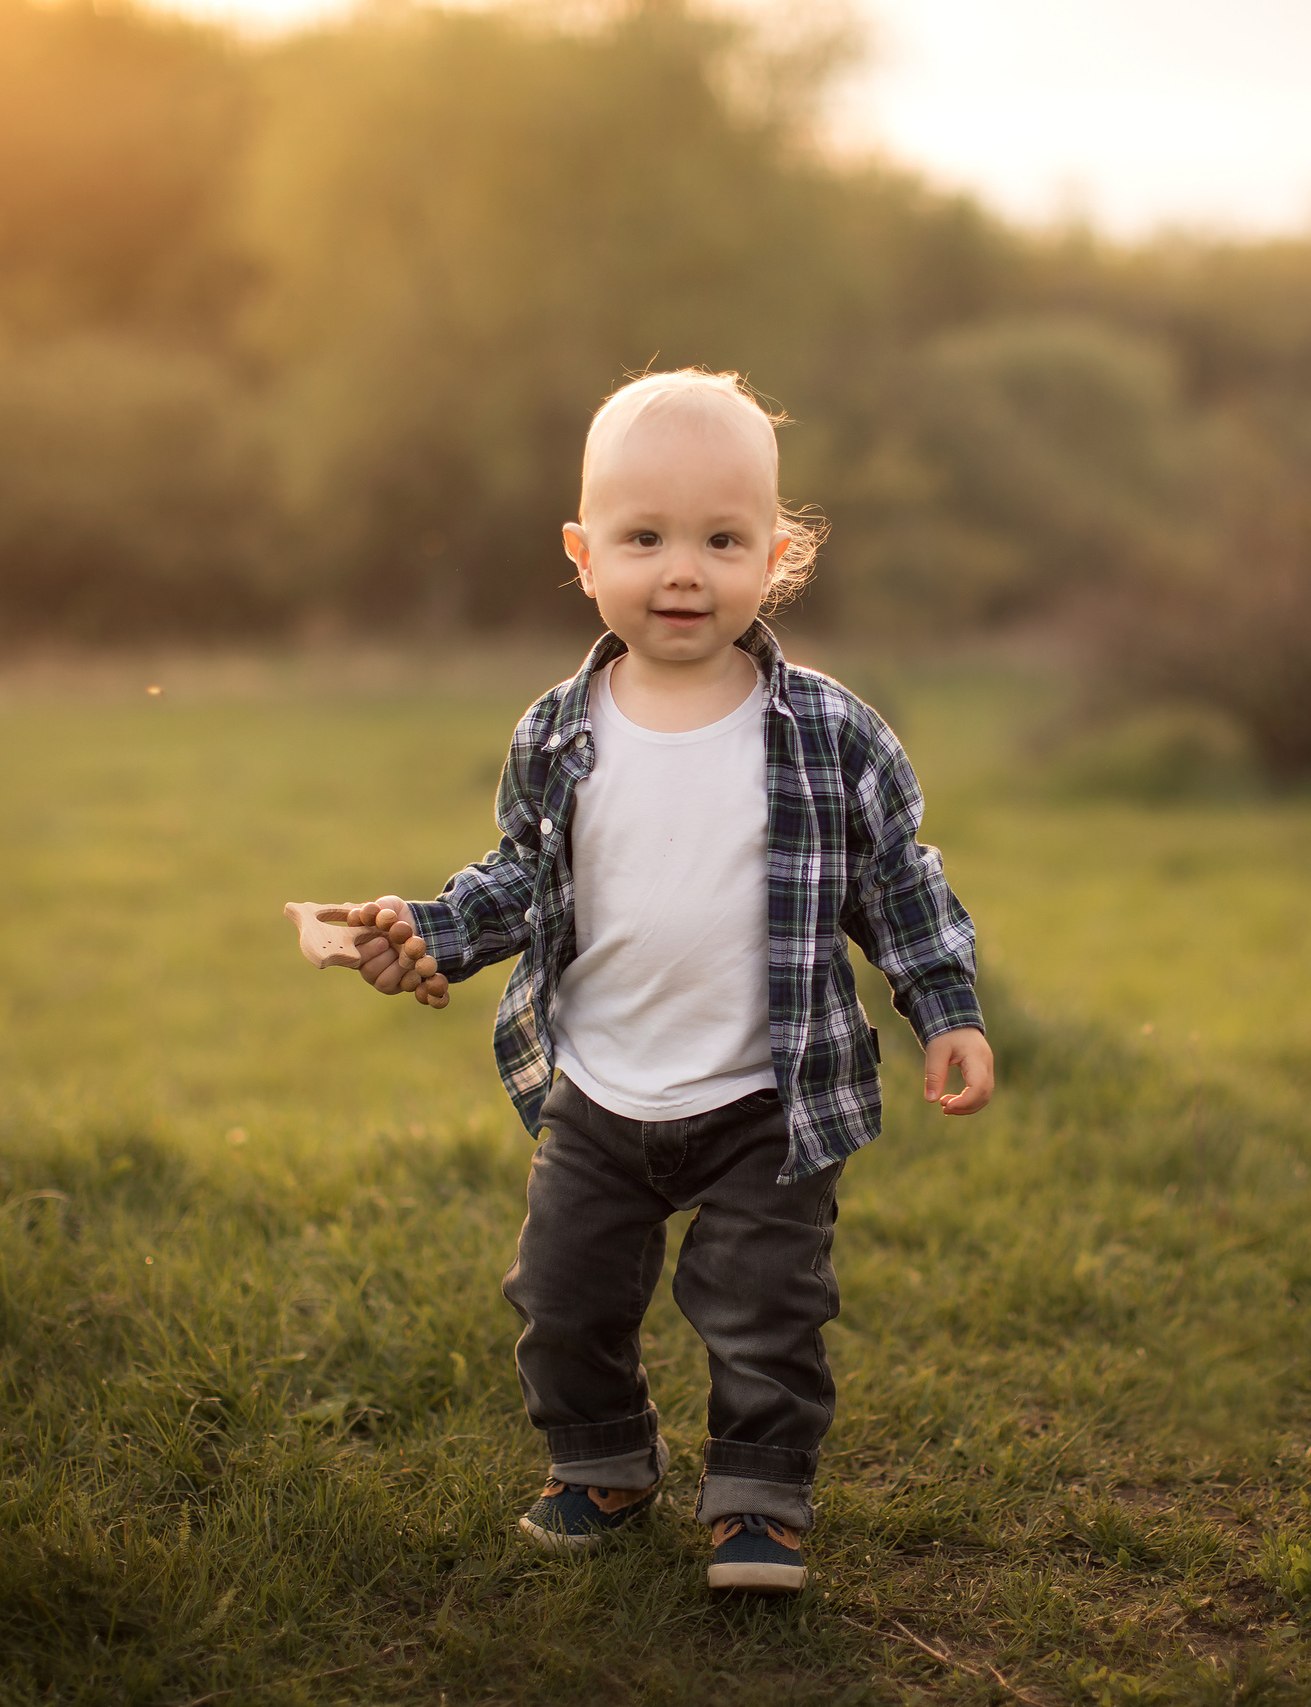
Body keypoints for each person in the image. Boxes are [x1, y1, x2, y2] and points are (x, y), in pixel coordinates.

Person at [344, 369, 994, 1596]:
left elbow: (896, 881)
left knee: (765, 1310)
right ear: (585, 555)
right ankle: (601, 1464)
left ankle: (757, 1500)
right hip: (599, 1091)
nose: (681, 570)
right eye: (644, 539)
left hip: (765, 1096)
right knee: (561, 1296)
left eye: (720, 539)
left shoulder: (827, 732)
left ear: (777, 556)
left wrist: (944, 1009)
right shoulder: (558, 731)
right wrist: (425, 931)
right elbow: (520, 878)